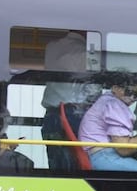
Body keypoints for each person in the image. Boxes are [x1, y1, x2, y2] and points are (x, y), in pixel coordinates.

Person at [76, 78, 137, 172]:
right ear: (115, 88)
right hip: (104, 157)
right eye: (129, 92)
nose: (133, 98)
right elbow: (123, 149)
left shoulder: (106, 100)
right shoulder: (115, 105)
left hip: (99, 155)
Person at [40, 31, 98, 170]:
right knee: (78, 166)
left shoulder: (51, 47)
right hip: (75, 115)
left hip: (51, 116)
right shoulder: (86, 52)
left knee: (57, 166)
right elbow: (93, 89)